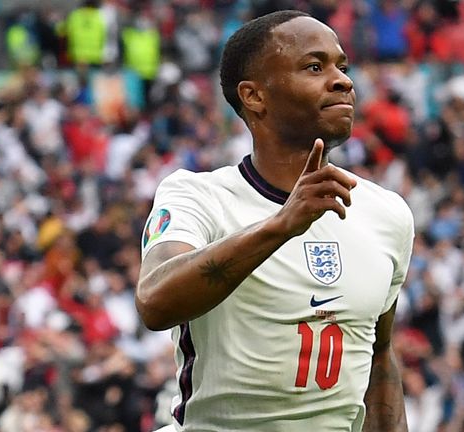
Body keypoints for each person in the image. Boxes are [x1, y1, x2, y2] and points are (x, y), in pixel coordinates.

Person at [136, 10, 414, 432]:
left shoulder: (387, 213)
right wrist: (281, 224)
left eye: (343, 66)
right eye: (315, 67)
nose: (343, 80)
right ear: (254, 96)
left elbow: (379, 357)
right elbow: (155, 302)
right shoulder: (198, 196)